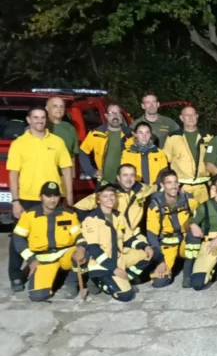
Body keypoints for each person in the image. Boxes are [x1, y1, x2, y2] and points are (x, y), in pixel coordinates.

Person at [7, 107, 74, 292]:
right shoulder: (19, 144)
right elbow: (13, 174)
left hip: (52, 198)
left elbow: (67, 169)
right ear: (28, 120)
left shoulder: (57, 142)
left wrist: (67, 195)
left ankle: (53, 271)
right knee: (19, 239)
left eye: (42, 117)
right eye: (35, 117)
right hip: (27, 199)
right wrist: (15, 201)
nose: (39, 121)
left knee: (55, 236)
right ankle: (15, 276)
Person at [73, 164, 158, 281]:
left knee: (150, 252)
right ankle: (98, 279)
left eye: (132, 175)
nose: (129, 179)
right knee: (104, 256)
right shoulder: (111, 192)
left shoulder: (142, 189)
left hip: (132, 234)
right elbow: (80, 207)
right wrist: (93, 224)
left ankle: (127, 277)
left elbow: (156, 187)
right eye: (125, 175)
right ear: (118, 178)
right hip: (113, 234)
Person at [75, 182, 153, 302]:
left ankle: (126, 279)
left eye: (112, 195)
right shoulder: (91, 220)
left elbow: (128, 239)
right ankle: (98, 282)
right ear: (98, 199)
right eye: (105, 196)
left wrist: (144, 246)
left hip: (119, 258)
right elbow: (94, 249)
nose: (109, 199)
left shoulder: (119, 216)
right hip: (102, 263)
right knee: (125, 296)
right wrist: (114, 269)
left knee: (148, 254)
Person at [12, 182, 82, 301]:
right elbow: (18, 239)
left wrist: (81, 248)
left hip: (65, 254)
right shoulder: (29, 215)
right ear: (41, 197)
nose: (52, 200)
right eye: (48, 196)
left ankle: (71, 283)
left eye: (55, 196)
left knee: (82, 251)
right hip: (42, 259)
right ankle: (51, 275)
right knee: (38, 296)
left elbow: (79, 235)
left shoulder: (69, 214)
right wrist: (31, 260)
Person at [146, 169, 199, 287]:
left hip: (186, 240)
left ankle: (187, 274)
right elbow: (152, 235)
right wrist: (160, 261)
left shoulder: (189, 199)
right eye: (169, 183)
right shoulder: (155, 205)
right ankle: (165, 266)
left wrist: (194, 224)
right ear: (162, 185)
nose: (173, 186)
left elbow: (201, 217)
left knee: (195, 237)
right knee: (159, 282)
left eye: (175, 182)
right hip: (168, 245)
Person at [163, 106, 214, 204]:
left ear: (197, 116)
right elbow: (165, 162)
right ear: (181, 118)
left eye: (193, 114)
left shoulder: (208, 136)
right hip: (182, 188)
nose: (190, 117)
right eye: (187, 115)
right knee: (184, 217)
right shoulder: (173, 138)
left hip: (204, 188)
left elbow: (215, 161)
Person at [79, 104, 133, 184]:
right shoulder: (96, 133)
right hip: (104, 180)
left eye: (118, 113)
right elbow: (82, 152)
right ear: (106, 116)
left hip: (126, 181)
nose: (115, 116)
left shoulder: (131, 134)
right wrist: (91, 171)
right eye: (112, 113)